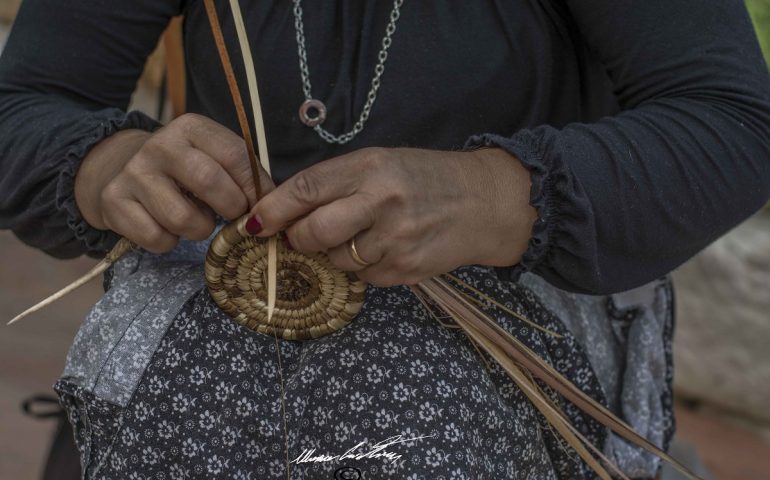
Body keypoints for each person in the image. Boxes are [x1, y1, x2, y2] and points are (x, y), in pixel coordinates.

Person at [1, 0, 768, 478]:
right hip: (223, 310)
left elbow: (737, 126)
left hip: (514, 310)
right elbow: (23, 106)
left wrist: (500, 194)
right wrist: (106, 167)